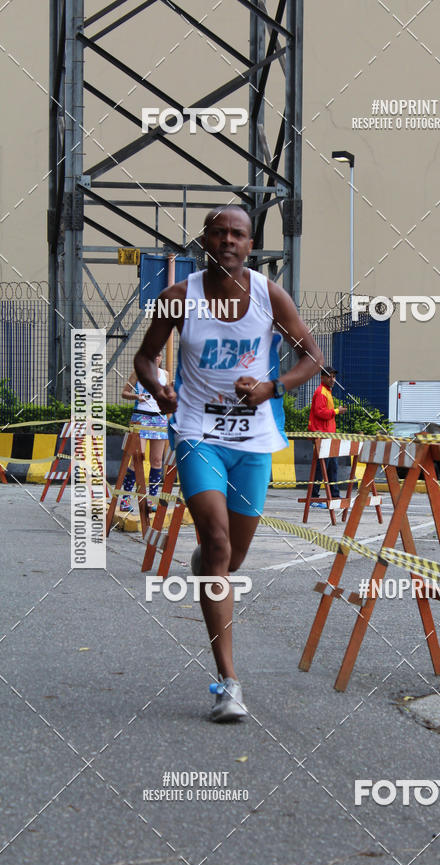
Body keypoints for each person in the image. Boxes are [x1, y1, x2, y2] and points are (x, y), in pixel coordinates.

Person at [133, 206, 323, 722]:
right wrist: (158, 387)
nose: (228, 241)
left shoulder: (267, 295)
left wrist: (273, 387)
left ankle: (208, 567)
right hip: (198, 434)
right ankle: (228, 683)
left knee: (232, 559)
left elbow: (312, 354)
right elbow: (145, 357)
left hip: (254, 441)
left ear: (250, 243)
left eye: (238, 234)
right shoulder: (179, 298)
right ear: (205, 240)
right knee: (215, 543)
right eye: (218, 233)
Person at [120, 353, 168, 513]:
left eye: (159, 355)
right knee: (137, 459)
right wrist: (136, 396)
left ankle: (151, 500)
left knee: (156, 460)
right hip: (140, 418)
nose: (156, 358)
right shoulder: (138, 373)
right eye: (153, 354)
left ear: (161, 358)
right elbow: (124, 393)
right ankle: (125, 499)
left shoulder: (165, 374)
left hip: (159, 419)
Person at [308, 366, 347, 505]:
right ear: (322, 378)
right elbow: (320, 412)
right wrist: (337, 411)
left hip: (328, 436)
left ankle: (334, 495)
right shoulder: (321, 392)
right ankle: (313, 497)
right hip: (322, 436)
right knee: (321, 467)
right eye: (330, 377)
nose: (333, 380)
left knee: (331, 467)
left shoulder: (326, 392)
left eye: (334, 377)